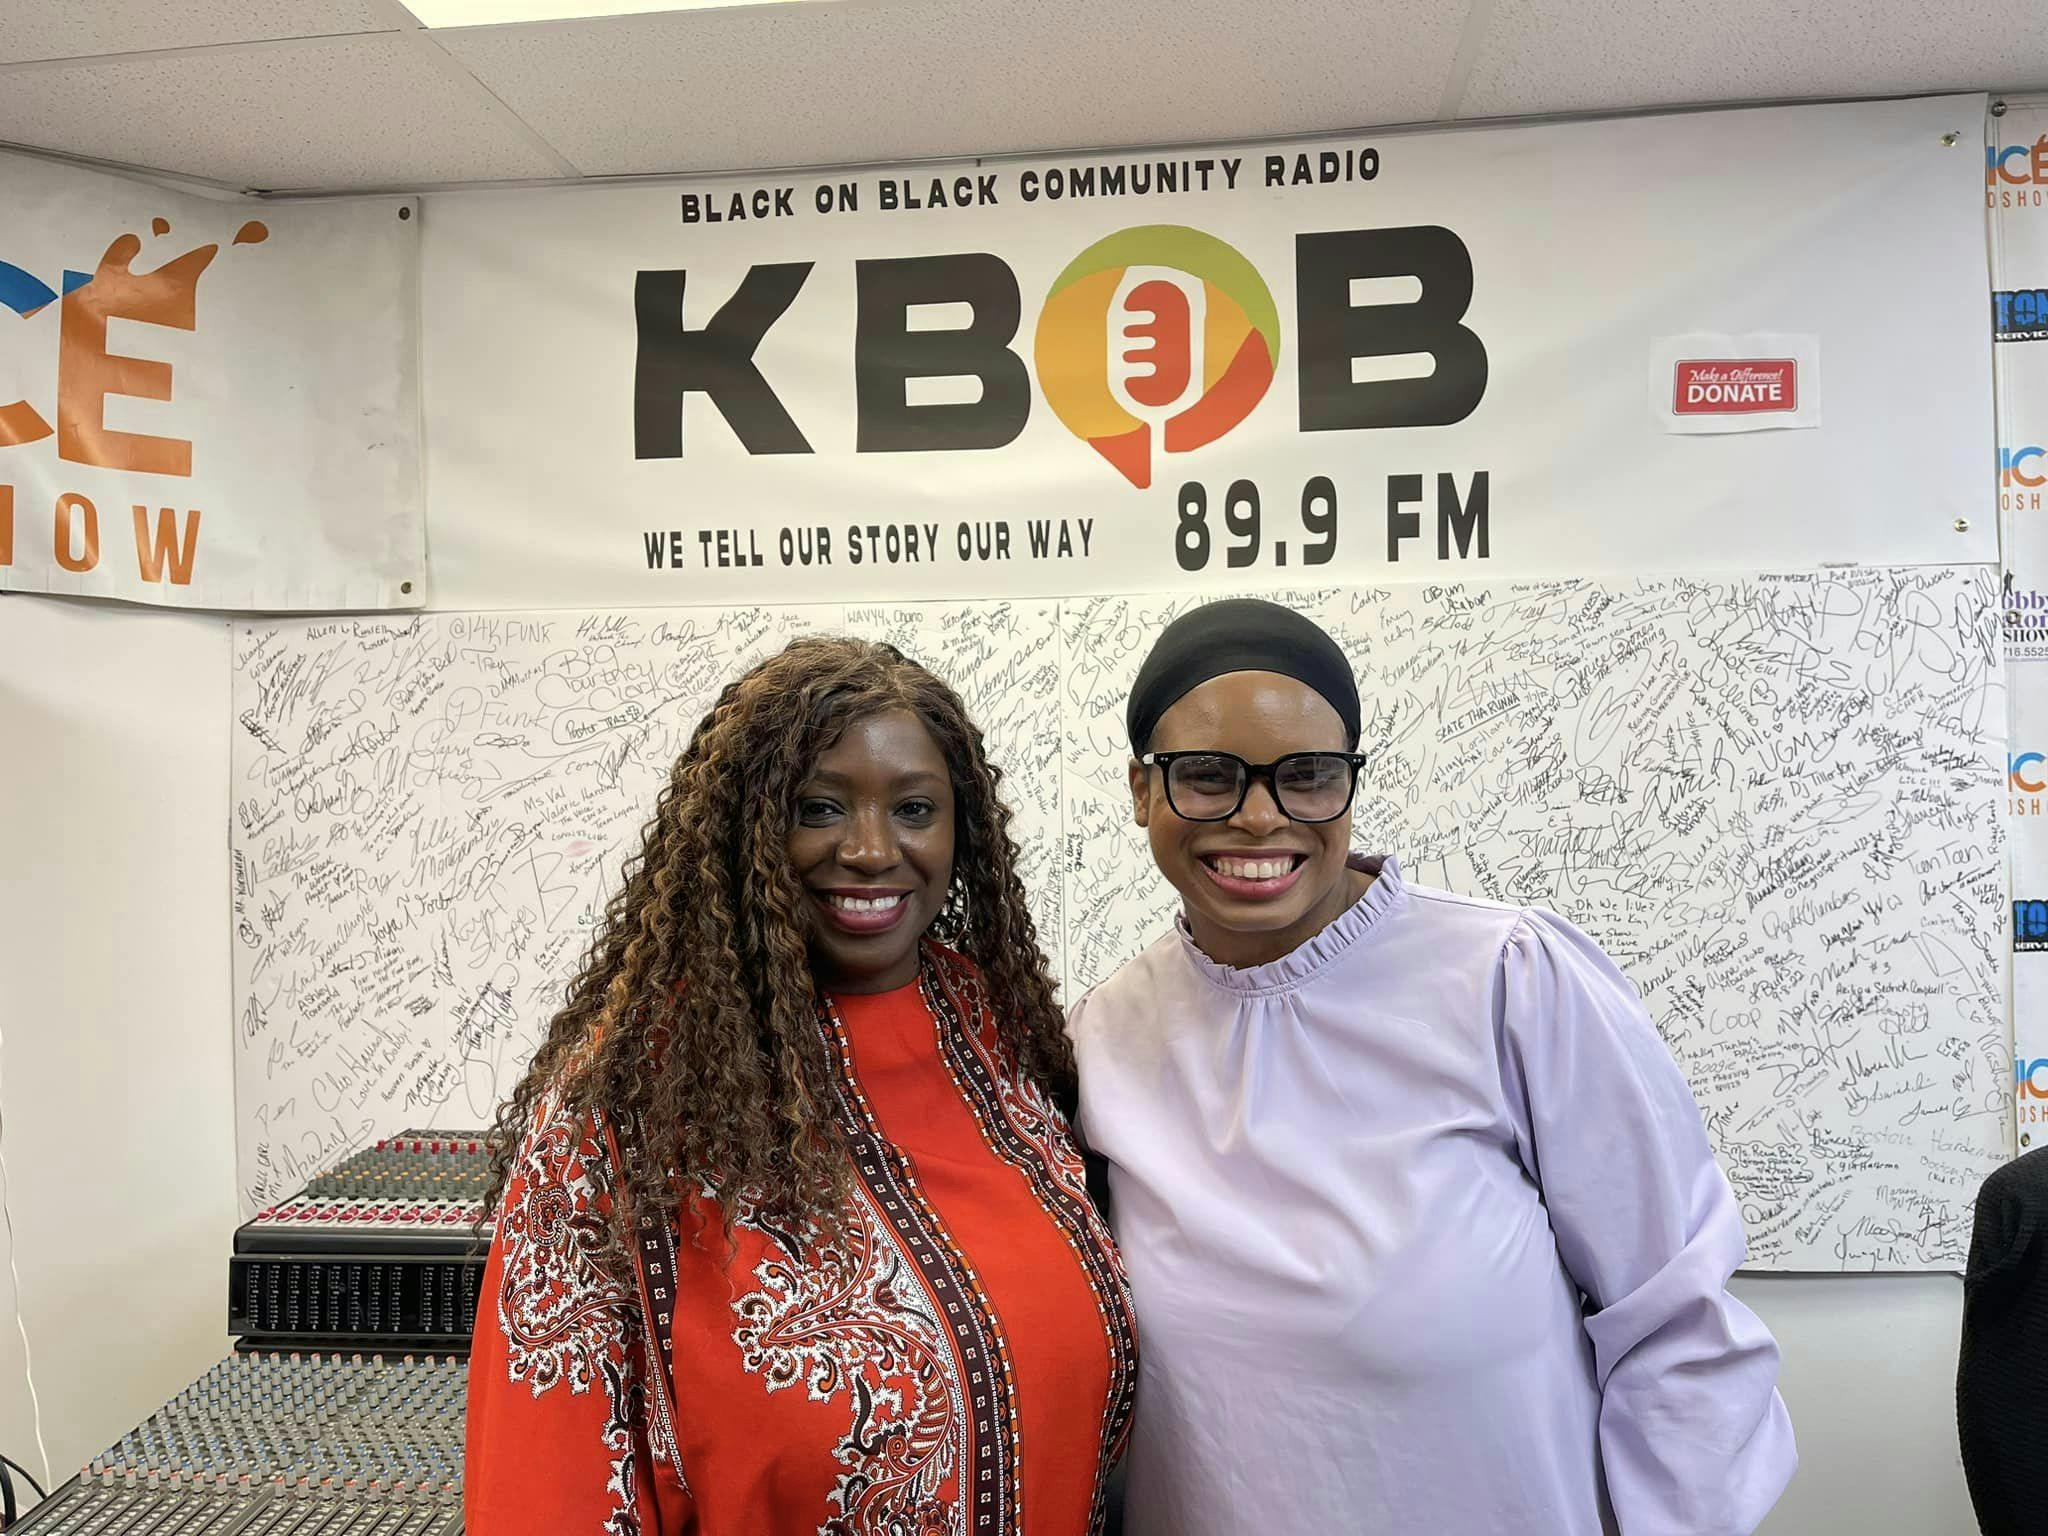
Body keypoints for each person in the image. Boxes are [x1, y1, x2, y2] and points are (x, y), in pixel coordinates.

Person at [1067, 597, 1796, 1536]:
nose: (1259, 817)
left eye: (1308, 776)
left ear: (1351, 785)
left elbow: (1678, 1320)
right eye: (1206, 777)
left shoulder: (1509, 980)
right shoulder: (1105, 1036)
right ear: (1139, 790)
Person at [467, 636, 1138, 1536]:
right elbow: (543, 1490)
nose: (870, 850)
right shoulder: (621, 1106)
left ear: (959, 831)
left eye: (913, 808)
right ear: (745, 828)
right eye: (819, 807)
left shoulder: (999, 1035)